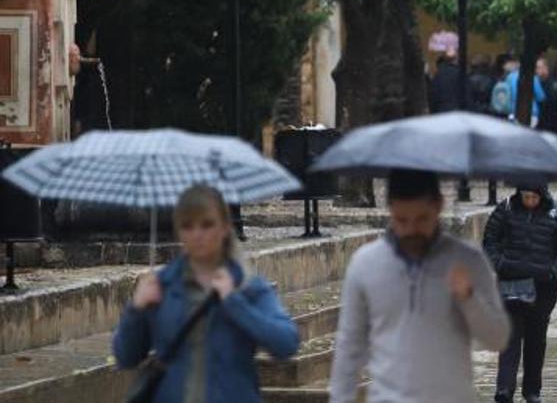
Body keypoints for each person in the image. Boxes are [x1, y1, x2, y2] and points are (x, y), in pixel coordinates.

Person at [329, 171, 510, 402]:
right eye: (402, 220)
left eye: (422, 219)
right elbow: (349, 346)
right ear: (390, 209)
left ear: (438, 206)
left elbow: (498, 339)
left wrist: (469, 298)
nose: (411, 230)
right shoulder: (365, 264)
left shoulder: (469, 260)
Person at [113, 184, 299, 403]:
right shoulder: (164, 286)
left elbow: (286, 343)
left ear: (224, 228)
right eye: (187, 226)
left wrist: (234, 302)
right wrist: (136, 309)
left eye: (207, 225)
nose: (197, 235)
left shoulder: (247, 286)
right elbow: (126, 357)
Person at [483, 182, 557, 403]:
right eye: (526, 197)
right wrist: (500, 264)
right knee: (510, 336)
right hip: (510, 284)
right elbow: (490, 241)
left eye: (534, 198)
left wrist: (554, 270)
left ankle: (532, 390)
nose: (530, 202)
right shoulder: (505, 209)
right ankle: (504, 388)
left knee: (536, 339)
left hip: (542, 287)